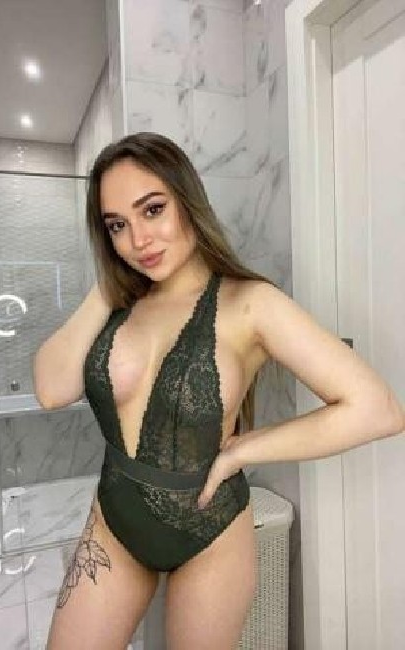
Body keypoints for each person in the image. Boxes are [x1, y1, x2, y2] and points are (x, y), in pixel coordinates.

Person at [33, 132, 404, 650]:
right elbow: (52, 389)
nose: (139, 239)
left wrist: (244, 450)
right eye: (117, 225)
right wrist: (107, 283)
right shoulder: (119, 305)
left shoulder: (251, 305)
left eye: (153, 210)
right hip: (113, 524)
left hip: (210, 533)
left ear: (188, 201)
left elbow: (377, 409)